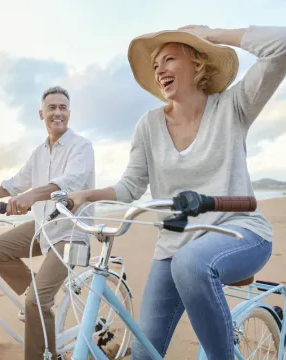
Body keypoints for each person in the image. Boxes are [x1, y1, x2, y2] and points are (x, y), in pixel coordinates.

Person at [66, 25, 286, 359]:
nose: (159, 70)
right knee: (144, 353)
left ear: (198, 63)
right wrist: (86, 195)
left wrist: (212, 35)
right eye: (155, 66)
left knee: (190, 264)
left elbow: (281, 46)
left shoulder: (234, 106)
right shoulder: (148, 125)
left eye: (169, 59)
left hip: (240, 232)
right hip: (173, 246)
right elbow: (130, 187)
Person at [0, 85, 95, 359]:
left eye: (63, 107)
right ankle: (39, 299)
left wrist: (32, 195)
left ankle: (43, 342)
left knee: (36, 300)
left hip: (72, 231)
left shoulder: (82, 146)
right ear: (40, 113)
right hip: (44, 227)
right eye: (52, 107)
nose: (58, 112)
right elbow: (14, 184)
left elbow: (70, 183)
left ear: (69, 113)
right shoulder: (39, 152)